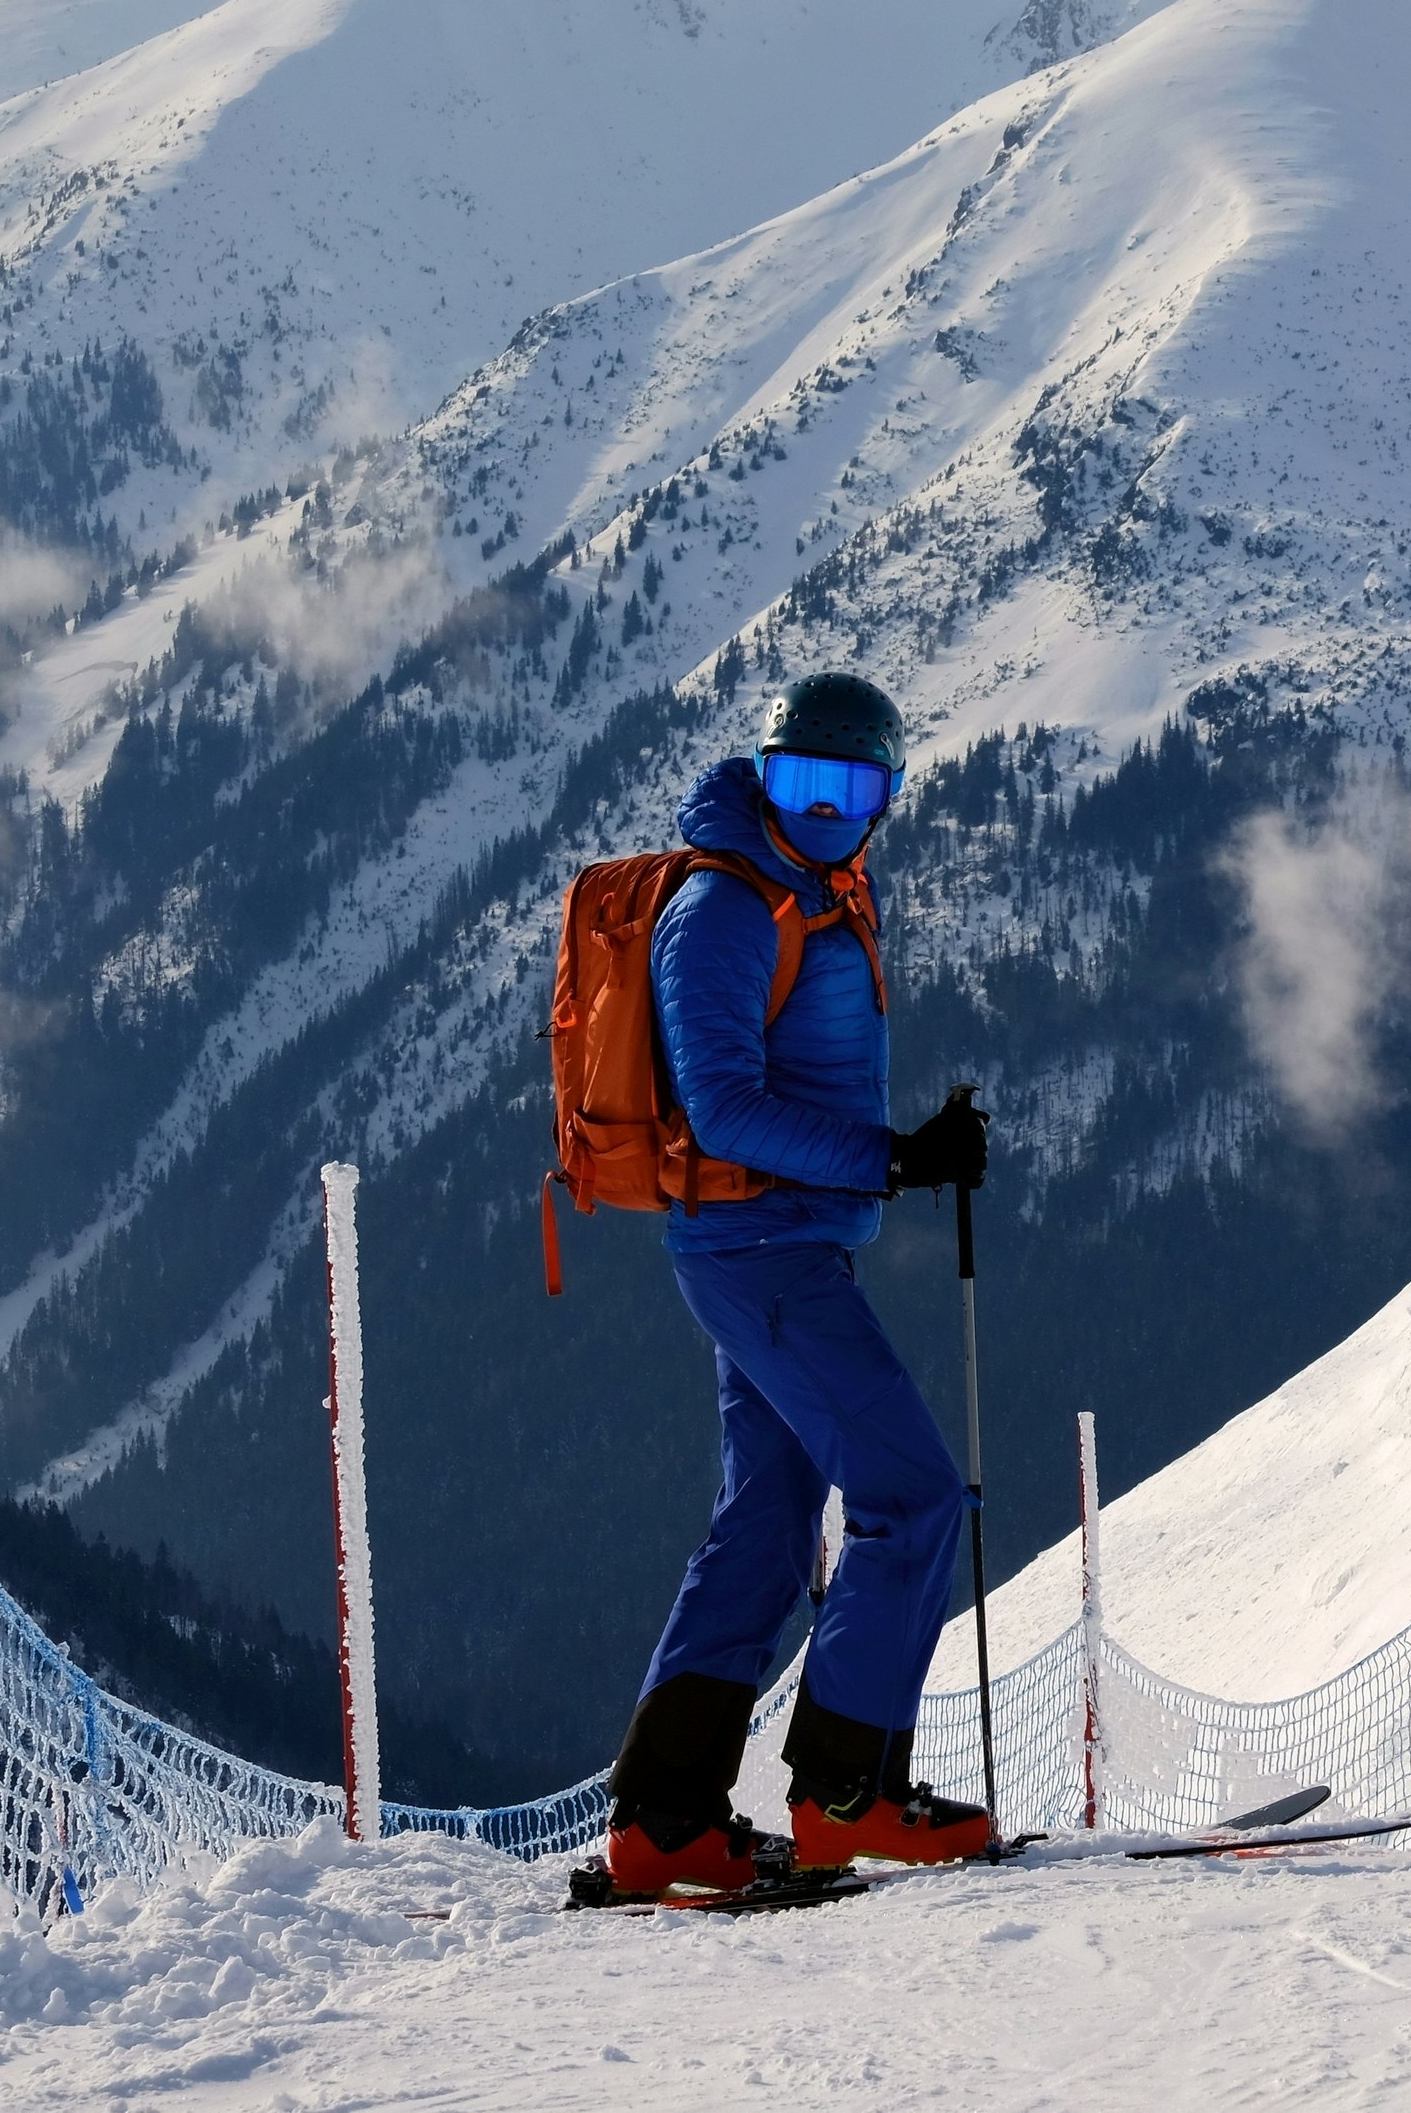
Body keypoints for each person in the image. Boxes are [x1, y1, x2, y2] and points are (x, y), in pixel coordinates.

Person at [598, 672, 995, 1900]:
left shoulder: (813, 889)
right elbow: (722, 1109)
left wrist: (907, 1153)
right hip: (756, 1250)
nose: (824, 810)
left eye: (850, 788)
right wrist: (895, 1159)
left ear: (886, 798)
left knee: (768, 1523)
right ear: (763, 778)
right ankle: (844, 1796)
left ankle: (664, 1826)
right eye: (801, 782)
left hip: (781, 1245)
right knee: (912, 1499)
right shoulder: (721, 908)